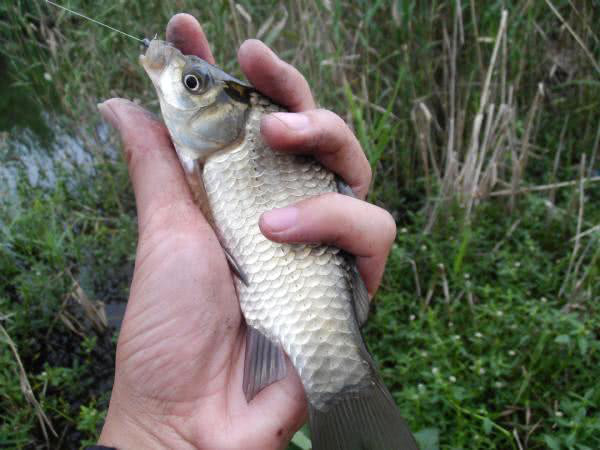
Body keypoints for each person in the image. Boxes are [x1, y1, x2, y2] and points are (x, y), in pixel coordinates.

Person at [97, 13, 397, 450]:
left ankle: (344, 386)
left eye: (193, 86)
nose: (181, 86)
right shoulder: (200, 162)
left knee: (333, 360)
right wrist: (157, 430)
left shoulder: (221, 148)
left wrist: (155, 435)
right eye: (193, 85)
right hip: (243, 349)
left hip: (275, 325)